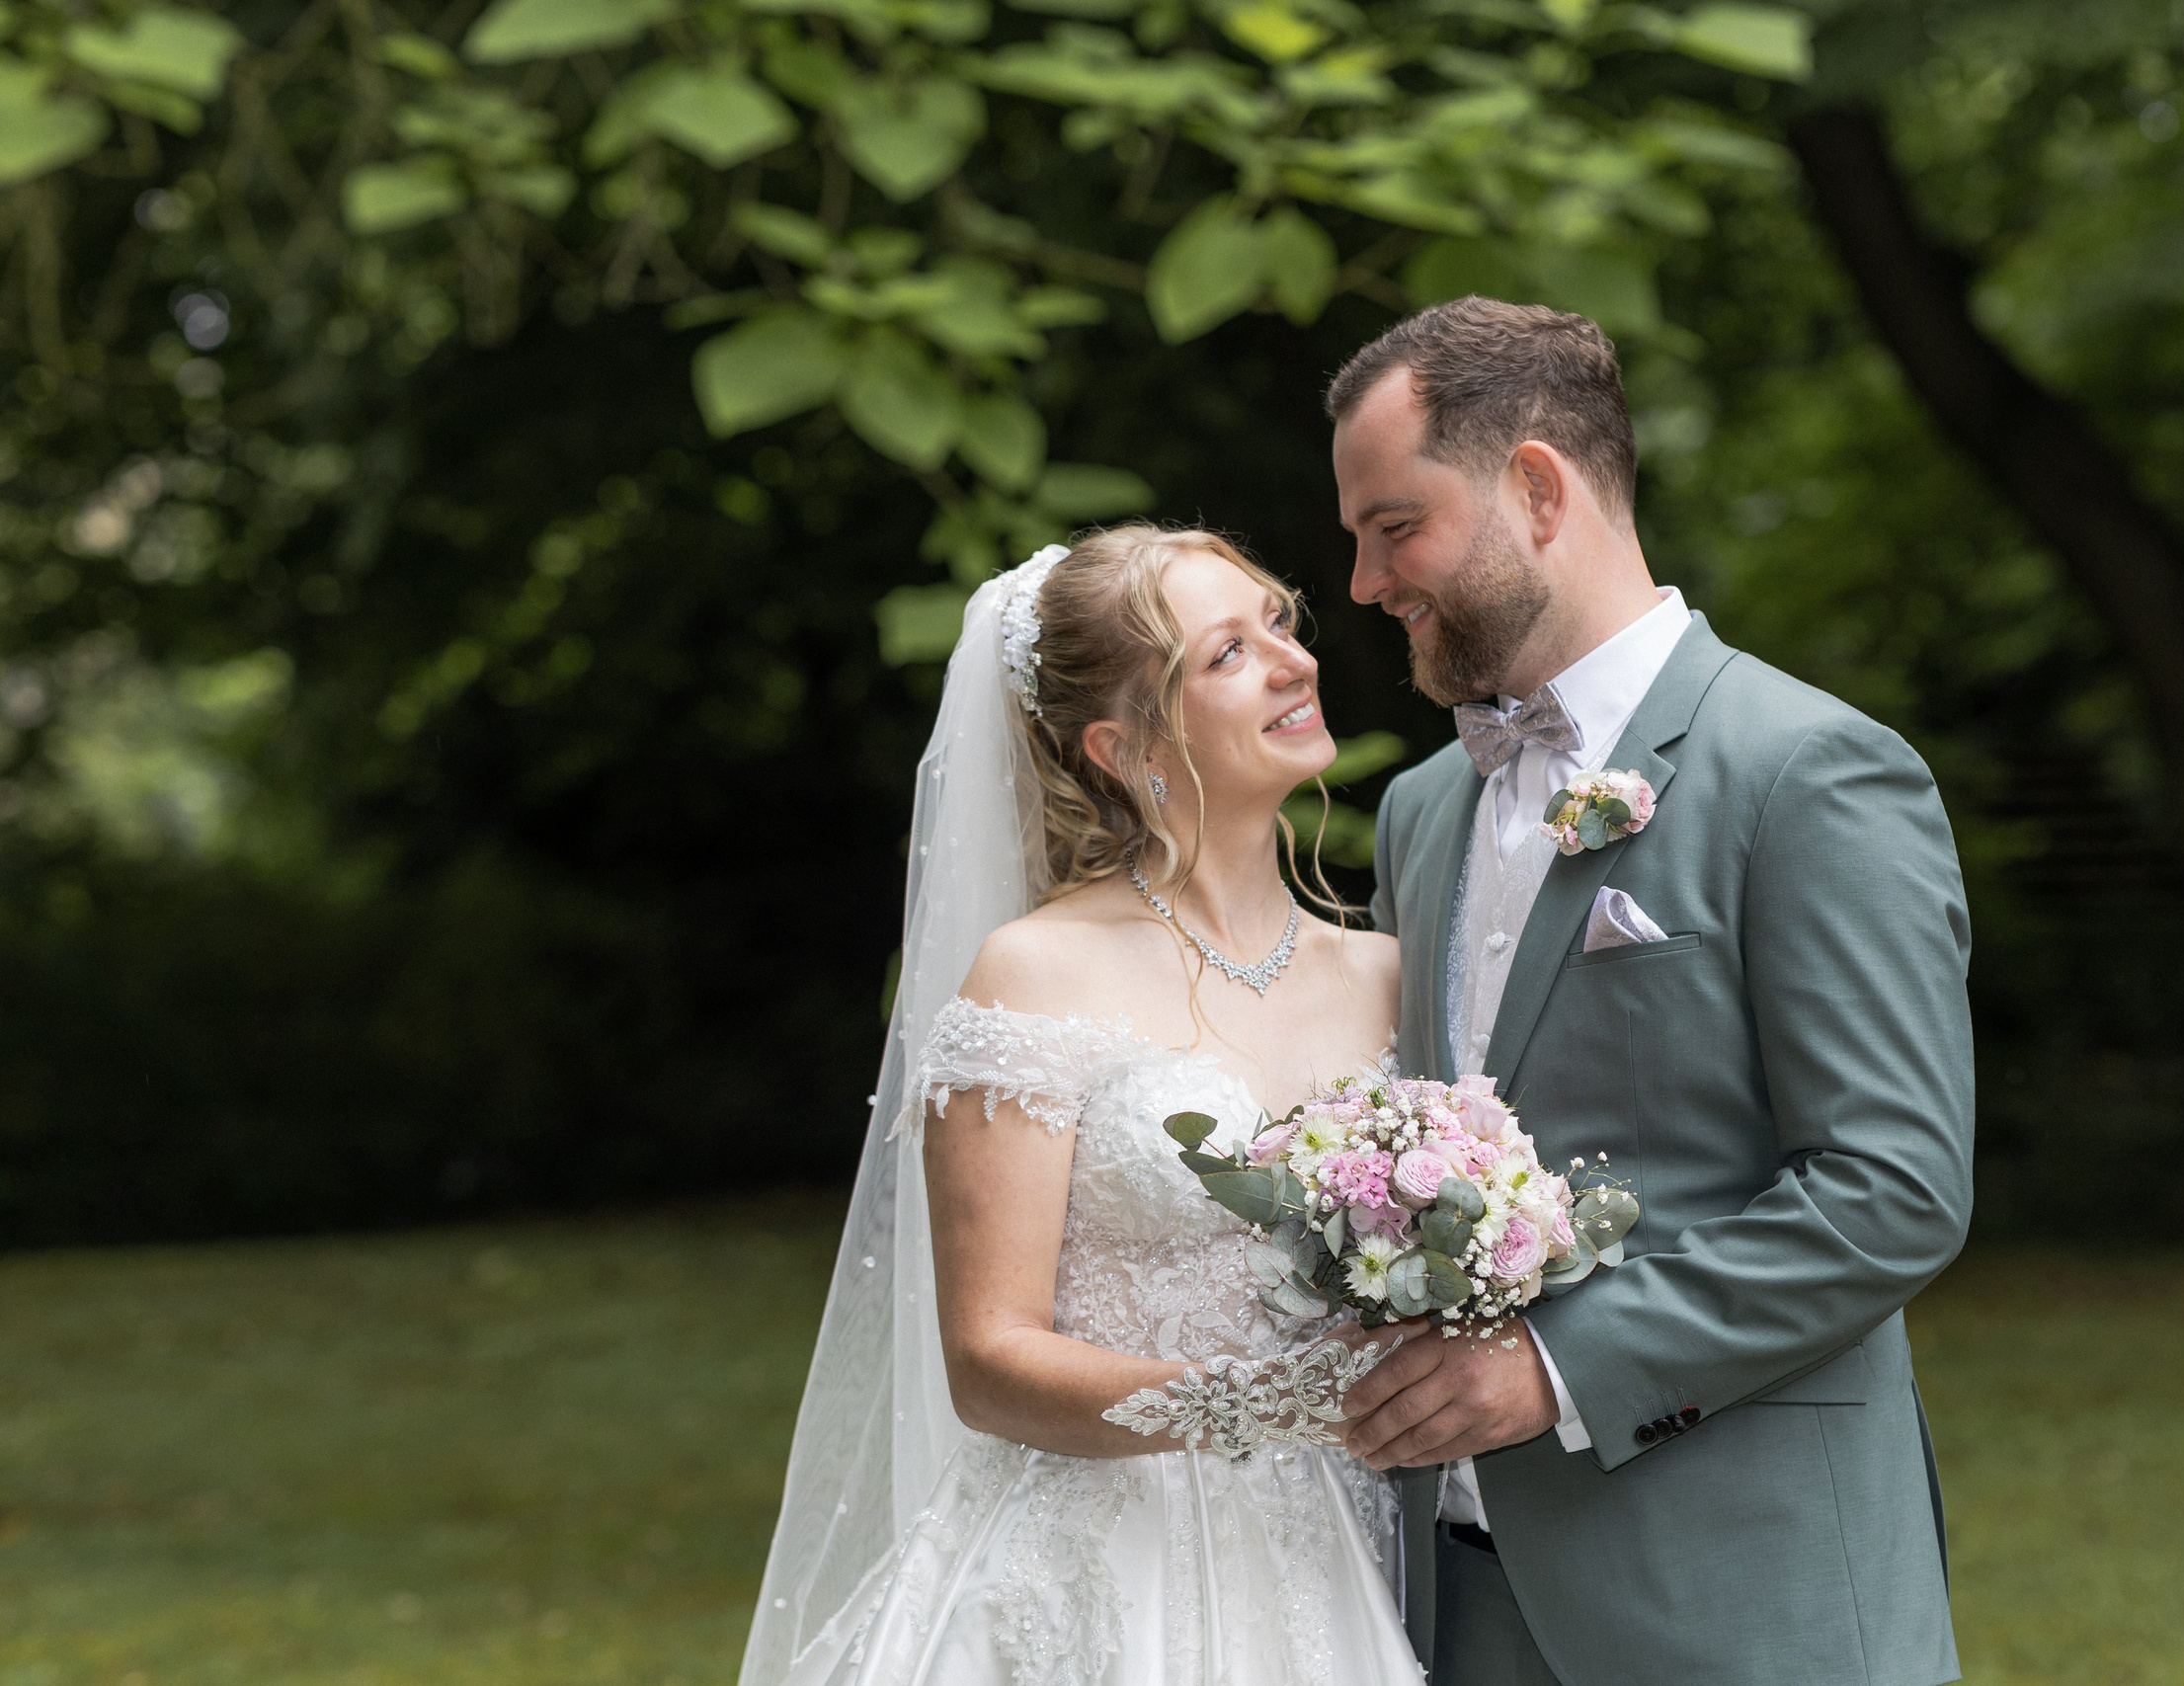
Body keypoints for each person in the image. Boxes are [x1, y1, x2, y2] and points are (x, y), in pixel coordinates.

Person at [1331, 297, 1976, 1686]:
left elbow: (1893, 1188)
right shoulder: (1420, 810)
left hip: (1739, 1588)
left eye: (1395, 526)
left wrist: (1555, 1366)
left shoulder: (1810, 770)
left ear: (1536, 486)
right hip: (1451, 1595)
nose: (1368, 582)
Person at [738, 524, 1427, 1686]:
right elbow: (989, 1358)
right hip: (1106, 1574)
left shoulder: (1384, 975)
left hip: (1347, 1554)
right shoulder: (1035, 974)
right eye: (1225, 654)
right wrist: (1267, 1401)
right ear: (1123, 745)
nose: (1292, 660)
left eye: (1279, 623)